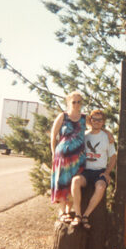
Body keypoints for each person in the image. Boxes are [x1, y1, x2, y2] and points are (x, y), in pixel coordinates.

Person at [70, 109, 117, 228]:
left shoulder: (107, 137)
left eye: (99, 120)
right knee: (75, 181)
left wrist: (107, 172)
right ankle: (78, 215)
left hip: (99, 171)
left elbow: (113, 157)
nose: (96, 122)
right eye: (94, 119)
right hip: (85, 171)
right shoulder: (84, 135)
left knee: (100, 187)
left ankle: (86, 215)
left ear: (103, 122)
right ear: (90, 120)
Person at [50, 91, 86, 222]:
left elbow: (95, 128)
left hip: (78, 158)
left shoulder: (84, 118)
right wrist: (54, 153)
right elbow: (53, 136)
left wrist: (107, 133)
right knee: (62, 182)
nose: (76, 104)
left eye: (79, 102)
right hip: (63, 157)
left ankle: (69, 211)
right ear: (69, 102)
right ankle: (62, 211)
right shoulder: (63, 116)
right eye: (74, 102)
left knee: (72, 183)